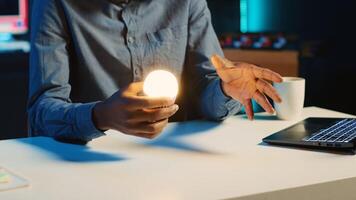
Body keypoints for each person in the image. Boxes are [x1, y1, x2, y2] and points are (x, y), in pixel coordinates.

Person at [28, 0, 283, 143]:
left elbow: (205, 90)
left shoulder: (188, 3)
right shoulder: (55, 4)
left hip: (174, 160)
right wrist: (101, 116)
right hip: (89, 162)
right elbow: (42, 109)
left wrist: (225, 89)